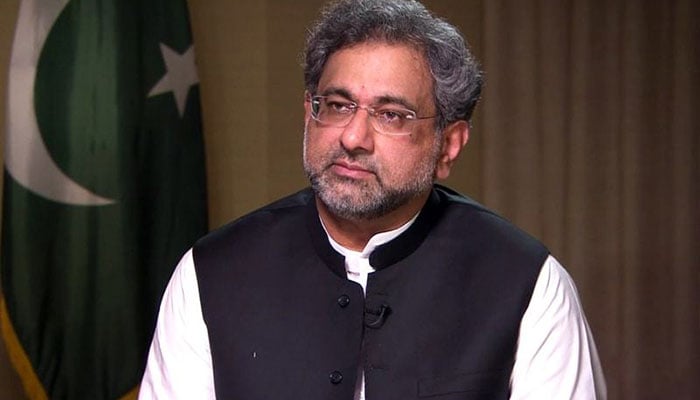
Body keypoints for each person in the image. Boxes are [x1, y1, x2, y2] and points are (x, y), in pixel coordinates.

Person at [138, 0, 607, 399]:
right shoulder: (211, 273)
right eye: (337, 106)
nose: (353, 137)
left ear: (449, 145)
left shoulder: (528, 284)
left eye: (391, 115)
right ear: (309, 114)